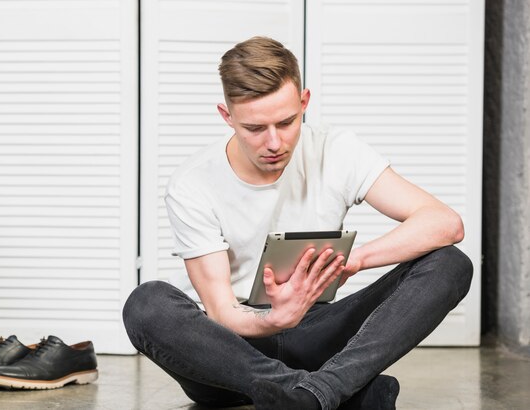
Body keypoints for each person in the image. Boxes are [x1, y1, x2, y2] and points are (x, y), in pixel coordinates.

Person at [123, 36, 473, 410]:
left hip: (318, 332)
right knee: (146, 305)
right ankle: (326, 392)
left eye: (287, 122)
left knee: (450, 263)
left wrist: (354, 260)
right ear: (227, 117)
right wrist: (274, 318)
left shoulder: (336, 150)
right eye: (255, 129)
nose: (274, 142)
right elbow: (222, 310)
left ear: (304, 102)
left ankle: (310, 395)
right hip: (229, 353)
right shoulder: (192, 183)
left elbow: (445, 223)